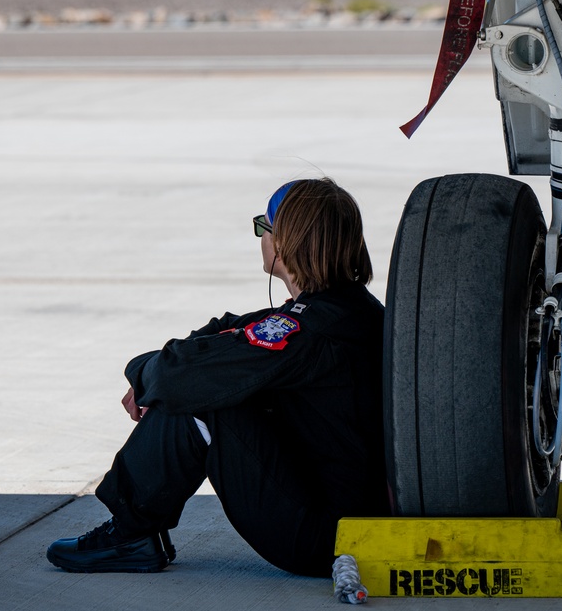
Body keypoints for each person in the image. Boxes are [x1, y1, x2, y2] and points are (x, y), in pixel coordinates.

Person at [46, 177, 389, 577]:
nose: (261, 236)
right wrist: (158, 367)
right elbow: (232, 329)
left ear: (285, 242)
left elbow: (184, 374)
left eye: (265, 226)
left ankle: (130, 533)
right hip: (353, 521)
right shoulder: (349, 311)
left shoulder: (309, 333)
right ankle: (134, 531)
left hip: (324, 539)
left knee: (202, 398)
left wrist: (145, 372)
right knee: (205, 378)